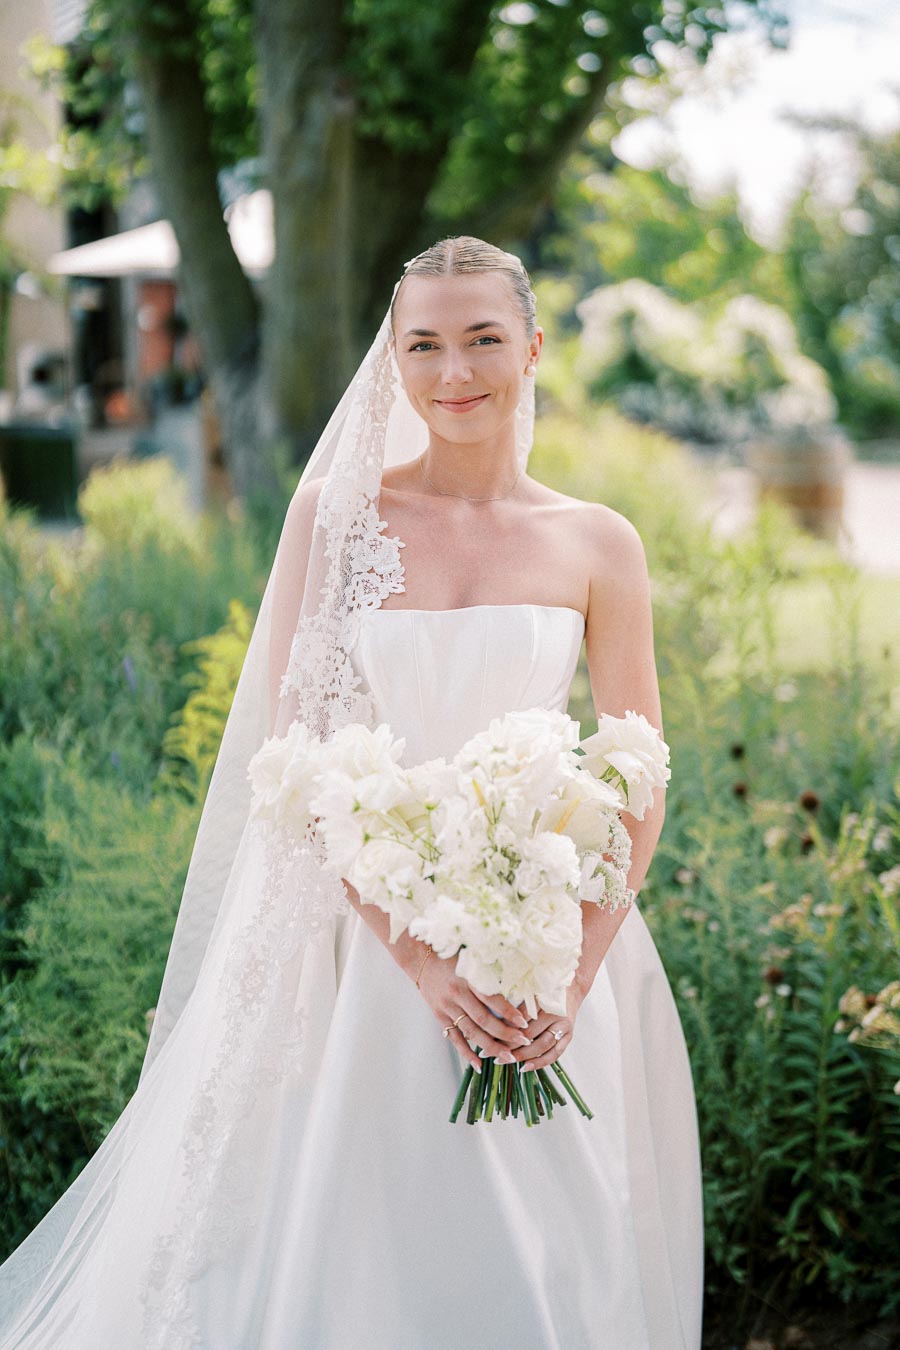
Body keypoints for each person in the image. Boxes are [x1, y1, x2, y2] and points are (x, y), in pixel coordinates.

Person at [0, 236, 703, 1349]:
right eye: (421, 344)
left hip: (548, 956)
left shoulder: (598, 543)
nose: (451, 372)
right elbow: (297, 763)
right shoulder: (335, 517)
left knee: (546, 1266)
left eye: (481, 339)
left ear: (531, 348)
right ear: (394, 358)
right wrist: (418, 957)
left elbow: (639, 771)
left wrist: (569, 972)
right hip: (361, 953)